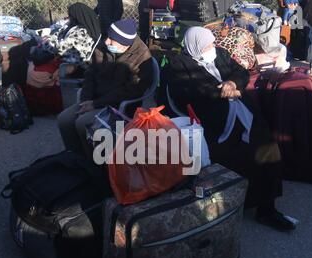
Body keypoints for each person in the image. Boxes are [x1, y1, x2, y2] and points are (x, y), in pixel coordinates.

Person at [166, 27, 297, 232]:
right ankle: (232, 205)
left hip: (240, 111)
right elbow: (188, 93)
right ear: (195, 46)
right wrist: (224, 93)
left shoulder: (221, 54)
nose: (212, 48)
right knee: (239, 153)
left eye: (212, 44)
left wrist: (232, 83)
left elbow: (241, 72)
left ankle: (267, 209)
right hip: (210, 119)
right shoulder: (179, 65)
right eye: (207, 45)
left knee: (266, 145)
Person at [57, 19, 153, 156]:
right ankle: (75, 156)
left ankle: (93, 165)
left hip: (118, 106)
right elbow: (90, 75)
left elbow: (131, 91)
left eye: (112, 40)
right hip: (94, 100)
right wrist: (86, 100)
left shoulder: (142, 57)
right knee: (64, 119)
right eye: (108, 37)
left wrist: (95, 104)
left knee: (82, 123)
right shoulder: (103, 47)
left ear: (124, 43)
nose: (107, 41)